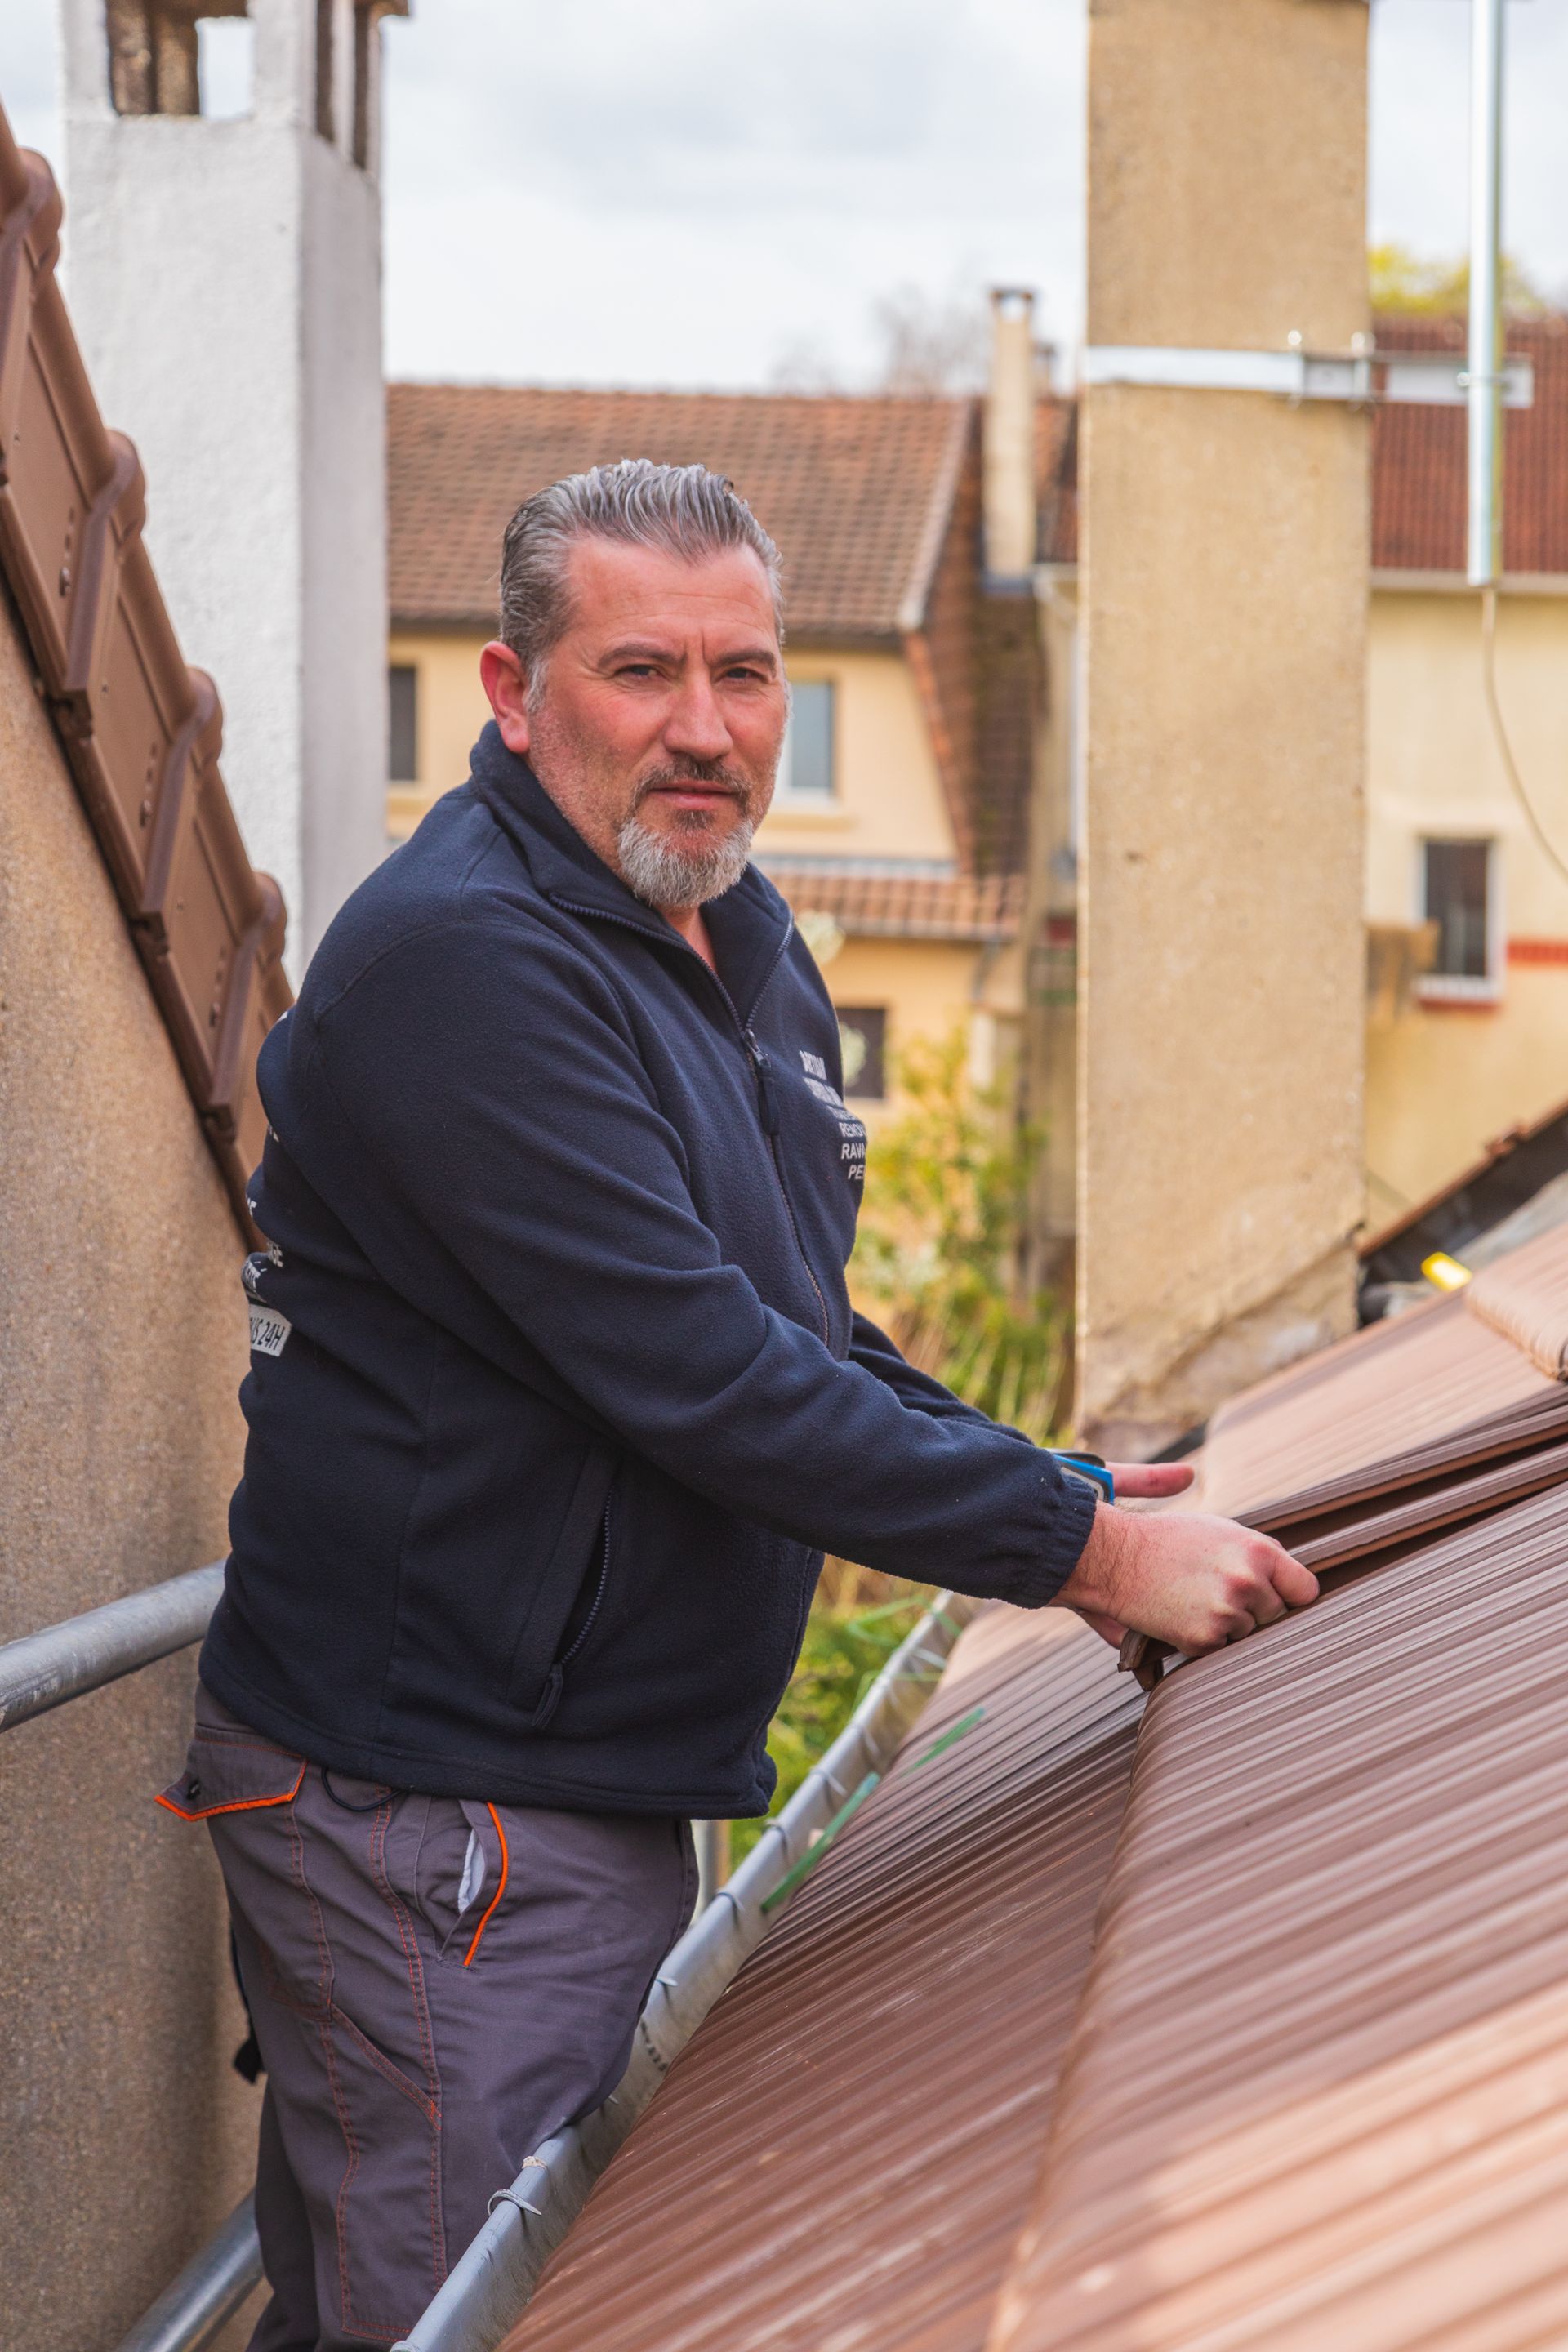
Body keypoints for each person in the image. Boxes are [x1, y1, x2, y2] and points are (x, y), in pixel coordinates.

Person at [158, 460, 1316, 2350]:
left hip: (562, 1789)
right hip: (439, 1817)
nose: (706, 729)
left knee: (409, 2296)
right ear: (513, 695)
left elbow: (791, 1324)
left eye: (749, 675)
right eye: (639, 672)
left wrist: (1049, 1481)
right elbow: (700, 1376)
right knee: (468, 2318)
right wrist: (1086, 1552)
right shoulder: (473, 968)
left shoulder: (738, 941)